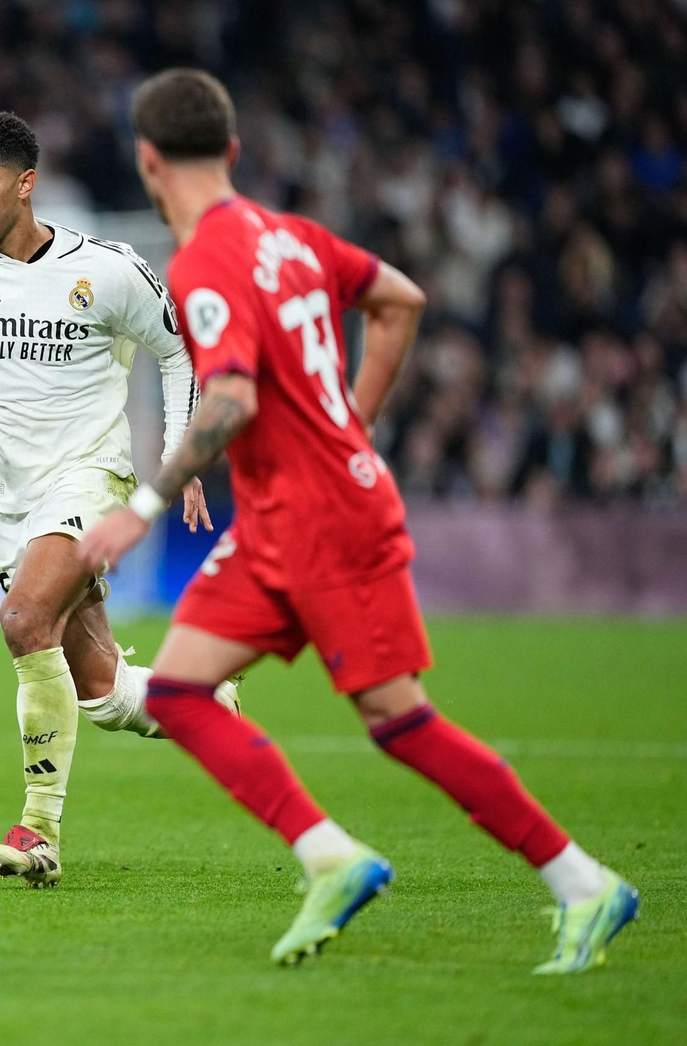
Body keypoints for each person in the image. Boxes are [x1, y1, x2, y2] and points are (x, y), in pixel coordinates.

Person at [79, 69, 637, 972]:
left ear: (148, 162)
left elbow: (226, 397)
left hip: (323, 520)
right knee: (179, 692)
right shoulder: (289, 238)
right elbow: (399, 300)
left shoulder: (210, 257)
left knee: (396, 717)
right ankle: (330, 857)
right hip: (283, 516)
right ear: (231, 150)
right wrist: (354, 418)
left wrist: (142, 507)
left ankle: (583, 883)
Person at [0, 110, 238, 888]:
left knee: (23, 620)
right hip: (4, 499)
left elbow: (179, 349)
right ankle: (203, 699)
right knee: (101, 691)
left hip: (91, 479)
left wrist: (180, 458)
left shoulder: (108, 270)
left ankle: (39, 830)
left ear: (26, 183)